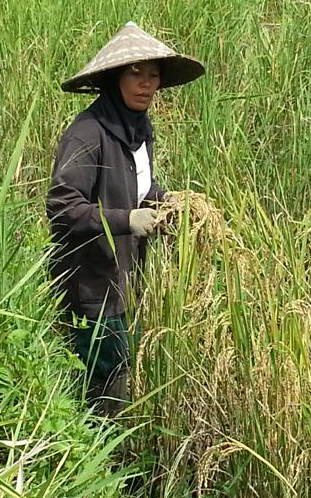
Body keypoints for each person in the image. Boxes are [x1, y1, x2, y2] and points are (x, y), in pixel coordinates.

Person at [47, 22, 204, 416]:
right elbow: (63, 207)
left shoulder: (139, 129)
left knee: (117, 371)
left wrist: (167, 203)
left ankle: (107, 453)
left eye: (153, 75)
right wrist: (127, 220)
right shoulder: (87, 133)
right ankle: (95, 462)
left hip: (126, 276)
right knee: (101, 382)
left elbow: (139, 190)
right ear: (114, 77)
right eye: (136, 73)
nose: (146, 84)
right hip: (92, 283)